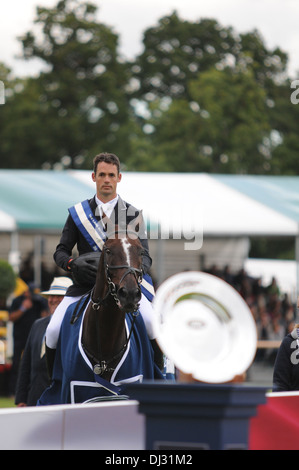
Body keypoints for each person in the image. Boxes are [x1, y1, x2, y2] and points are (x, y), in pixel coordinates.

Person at [45, 152, 160, 375]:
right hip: (86, 286)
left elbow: (145, 256)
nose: (106, 179)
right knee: (52, 330)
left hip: (125, 288)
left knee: (152, 324)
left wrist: (133, 274)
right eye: (102, 175)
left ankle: (157, 377)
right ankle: (55, 381)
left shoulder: (133, 215)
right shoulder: (78, 214)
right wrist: (71, 264)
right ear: (94, 177)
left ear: (119, 178)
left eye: (111, 175)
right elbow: (61, 251)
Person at [14, 277, 73, 406]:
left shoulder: (75, 329)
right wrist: (21, 398)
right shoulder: (37, 324)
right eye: (51, 296)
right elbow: (26, 364)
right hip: (33, 399)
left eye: (60, 296)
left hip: (61, 400)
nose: (54, 300)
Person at [8, 283, 48, 396]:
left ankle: (30, 391)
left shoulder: (39, 302)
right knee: (16, 365)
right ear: (26, 292)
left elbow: (46, 316)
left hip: (34, 340)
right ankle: (12, 392)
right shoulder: (17, 301)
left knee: (34, 366)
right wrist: (23, 308)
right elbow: (11, 318)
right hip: (19, 338)